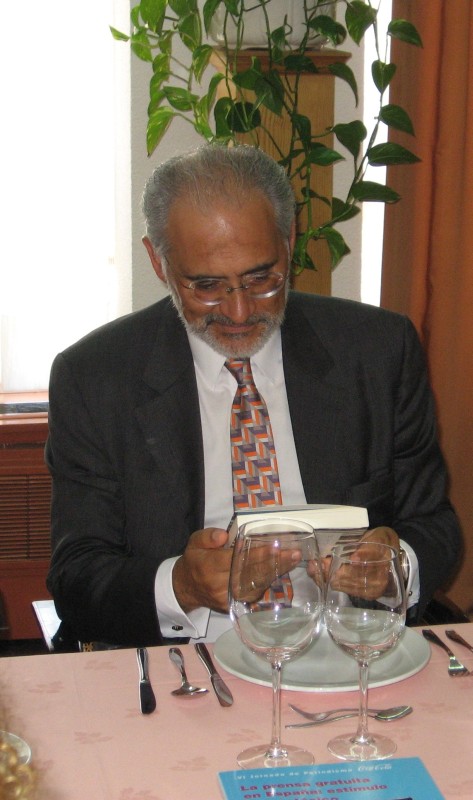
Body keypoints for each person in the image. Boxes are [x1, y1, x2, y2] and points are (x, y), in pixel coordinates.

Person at [45, 144, 462, 648]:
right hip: (187, 658)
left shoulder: (377, 352)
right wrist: (182, 585)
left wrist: (396, 565)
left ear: (289, 241)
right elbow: (78, 576)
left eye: (262, 278)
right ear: (158, 261)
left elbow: (433, 526)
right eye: (206, 286)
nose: (240, 311)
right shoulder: (95, 378)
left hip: (346, 649)